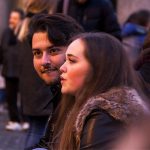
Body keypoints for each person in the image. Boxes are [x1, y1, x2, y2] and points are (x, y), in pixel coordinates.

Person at [50, 32, 149, 149]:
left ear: (98, 69)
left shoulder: (103, 116)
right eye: (65, 60)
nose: (62, 68)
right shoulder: (75, 105)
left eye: (72, 61)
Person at [24, 13, 84, 150]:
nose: (44, 62)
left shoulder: (91, 100)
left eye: (53, 51)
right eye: (37, 53)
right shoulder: (61, 91)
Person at [0, 8, 26, 131]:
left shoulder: (25, 33)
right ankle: (14, 120)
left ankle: (25, 120)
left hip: (22, 71)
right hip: (8, 70)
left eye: (15, 18)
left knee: (25, 97)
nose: (11, 20)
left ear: (21, 20)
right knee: (11, 98)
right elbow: (2, 49)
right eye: (11, 18)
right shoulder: (6, 32)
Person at [57, 0, 122, 40]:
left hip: (94, 53)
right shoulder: (64, 3)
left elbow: (114, 33)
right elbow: (57, 29)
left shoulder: (103, 4)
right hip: (70, 53)